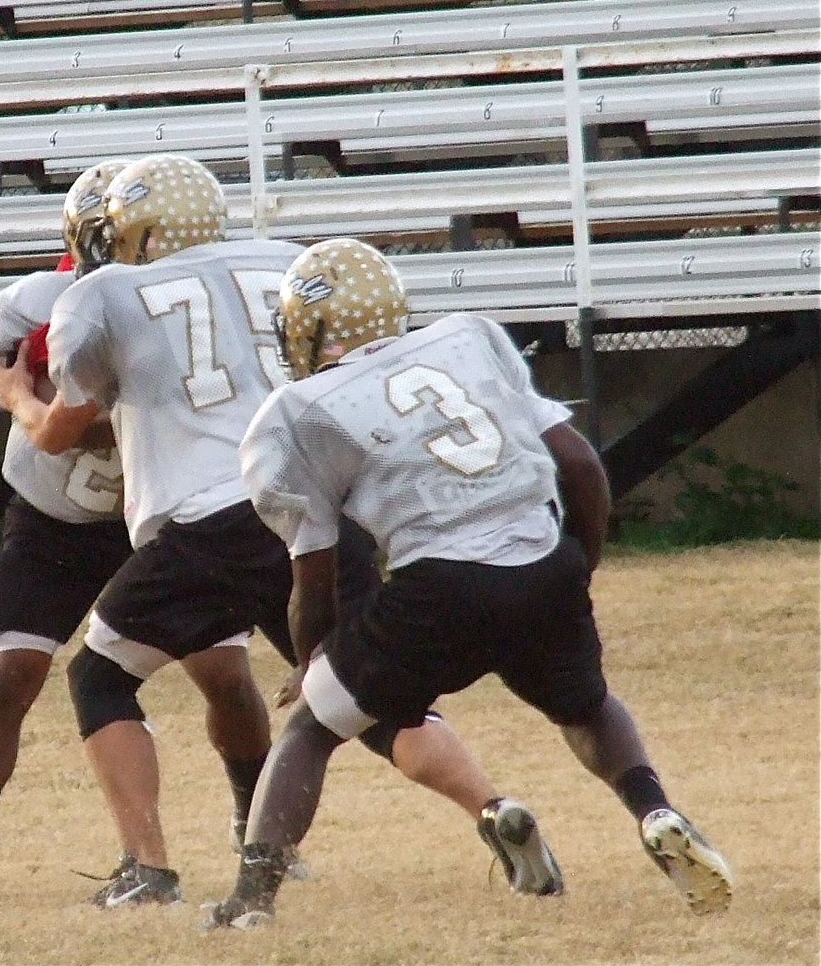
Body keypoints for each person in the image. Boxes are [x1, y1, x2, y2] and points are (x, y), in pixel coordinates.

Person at [0, 153, 562, 910]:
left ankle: (148, 868)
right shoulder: (282, 262)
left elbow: (61, 432)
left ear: (140, 231)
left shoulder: (104, 292)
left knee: (99, 676)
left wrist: (15, 396)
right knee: (369, 695)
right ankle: (491, 806)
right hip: (307, 508)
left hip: (204, 520)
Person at [203, 236, 734, 929]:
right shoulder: (469, 337)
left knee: (311, 728)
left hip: (440, 586)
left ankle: (250, 901)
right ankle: (655, 810)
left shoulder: (297, 412)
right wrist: (578, 562)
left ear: (312, 329)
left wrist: (310, 660)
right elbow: (580, 464)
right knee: (586, 706)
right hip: (541, 561)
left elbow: (314, 570)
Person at [0, 159, 133, 901]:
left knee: (222, 670)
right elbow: (7, 381)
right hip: (53, 515)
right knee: (12, 673)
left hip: (157, 513)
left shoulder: (189, 305)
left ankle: (258, 834)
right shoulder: (35, 303)